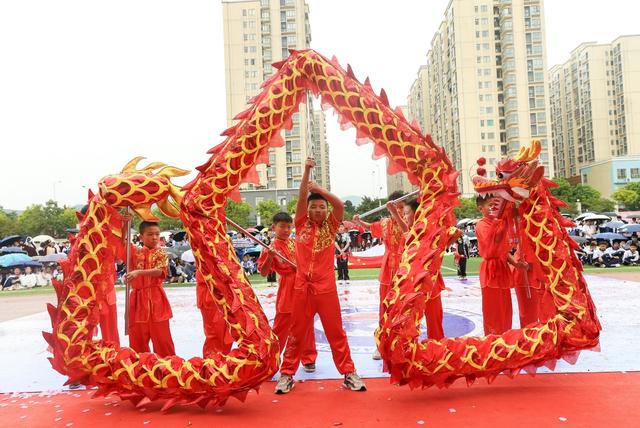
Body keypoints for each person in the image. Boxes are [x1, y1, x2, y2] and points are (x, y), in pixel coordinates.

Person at [275, 158, 366, 394]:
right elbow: (303, 194)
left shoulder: (331, 226)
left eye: (321, 207)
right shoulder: (301, 223)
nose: (317, 210)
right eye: (313, 206)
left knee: (336, 333)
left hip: (326, 290)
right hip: (301, 289)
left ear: (326, 212)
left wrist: (320, 190)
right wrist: (306, 172)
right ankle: (287, 375)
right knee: (296, 333)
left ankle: (348, 373)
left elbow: (339, 205)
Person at [257, 212, 317, 373]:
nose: (286, 230)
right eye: (282, 226)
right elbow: (263, 272)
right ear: (273, 227)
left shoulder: (295, 242)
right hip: (287, 289)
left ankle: (309, 358)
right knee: (281, 327)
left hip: (303, 286)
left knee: (307, 324)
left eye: (288, 227)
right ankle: (271, 359)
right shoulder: (271, 247)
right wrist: (269, 257)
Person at [353, 192, 406, 359]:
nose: (399, 209)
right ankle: (382, 344)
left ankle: (404, 344)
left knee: (404, 308)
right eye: (396, 206)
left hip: (404, 267)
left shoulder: (409, 221)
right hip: (387, 268)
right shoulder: (385, 223)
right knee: (384, 308)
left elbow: (409, 231)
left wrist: (397, 214)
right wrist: (358, 222)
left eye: (402, 207)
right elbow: (371, 228)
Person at [475, 196, 526, 335]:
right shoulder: (482, 224)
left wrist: (516, 263)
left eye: (496, 205)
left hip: (502, 268)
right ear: (481, 208)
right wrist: (503, 220)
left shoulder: (499, 222)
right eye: (491, 205)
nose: (494, 208)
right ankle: (493, 343)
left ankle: (505, 338)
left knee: (504, 309)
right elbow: (494, 242)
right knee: (493, 311)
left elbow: (502, 249)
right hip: (491, 270)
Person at [124, 221, 176, 356]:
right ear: (141, 237)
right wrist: (125, 223)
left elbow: (160, 271)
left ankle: (167, 370)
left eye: (157, 234)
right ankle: (141, 372)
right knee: (137, 343)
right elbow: (122, 242)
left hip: (156, 300)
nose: (154, 237)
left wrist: (138, 273)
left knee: (163, 342)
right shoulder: (134, 253)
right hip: (137, 302)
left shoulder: (161, 253)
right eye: (150, 234)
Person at [402, 198, 445, 340]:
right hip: (413, 287)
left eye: (407, 213)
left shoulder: (429, 233)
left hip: (431, 284)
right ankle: (413, 354)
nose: (404, 217)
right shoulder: (408, 235)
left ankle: (437, 354)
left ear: (417, 213)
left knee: (435, 324)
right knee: (410, 325)